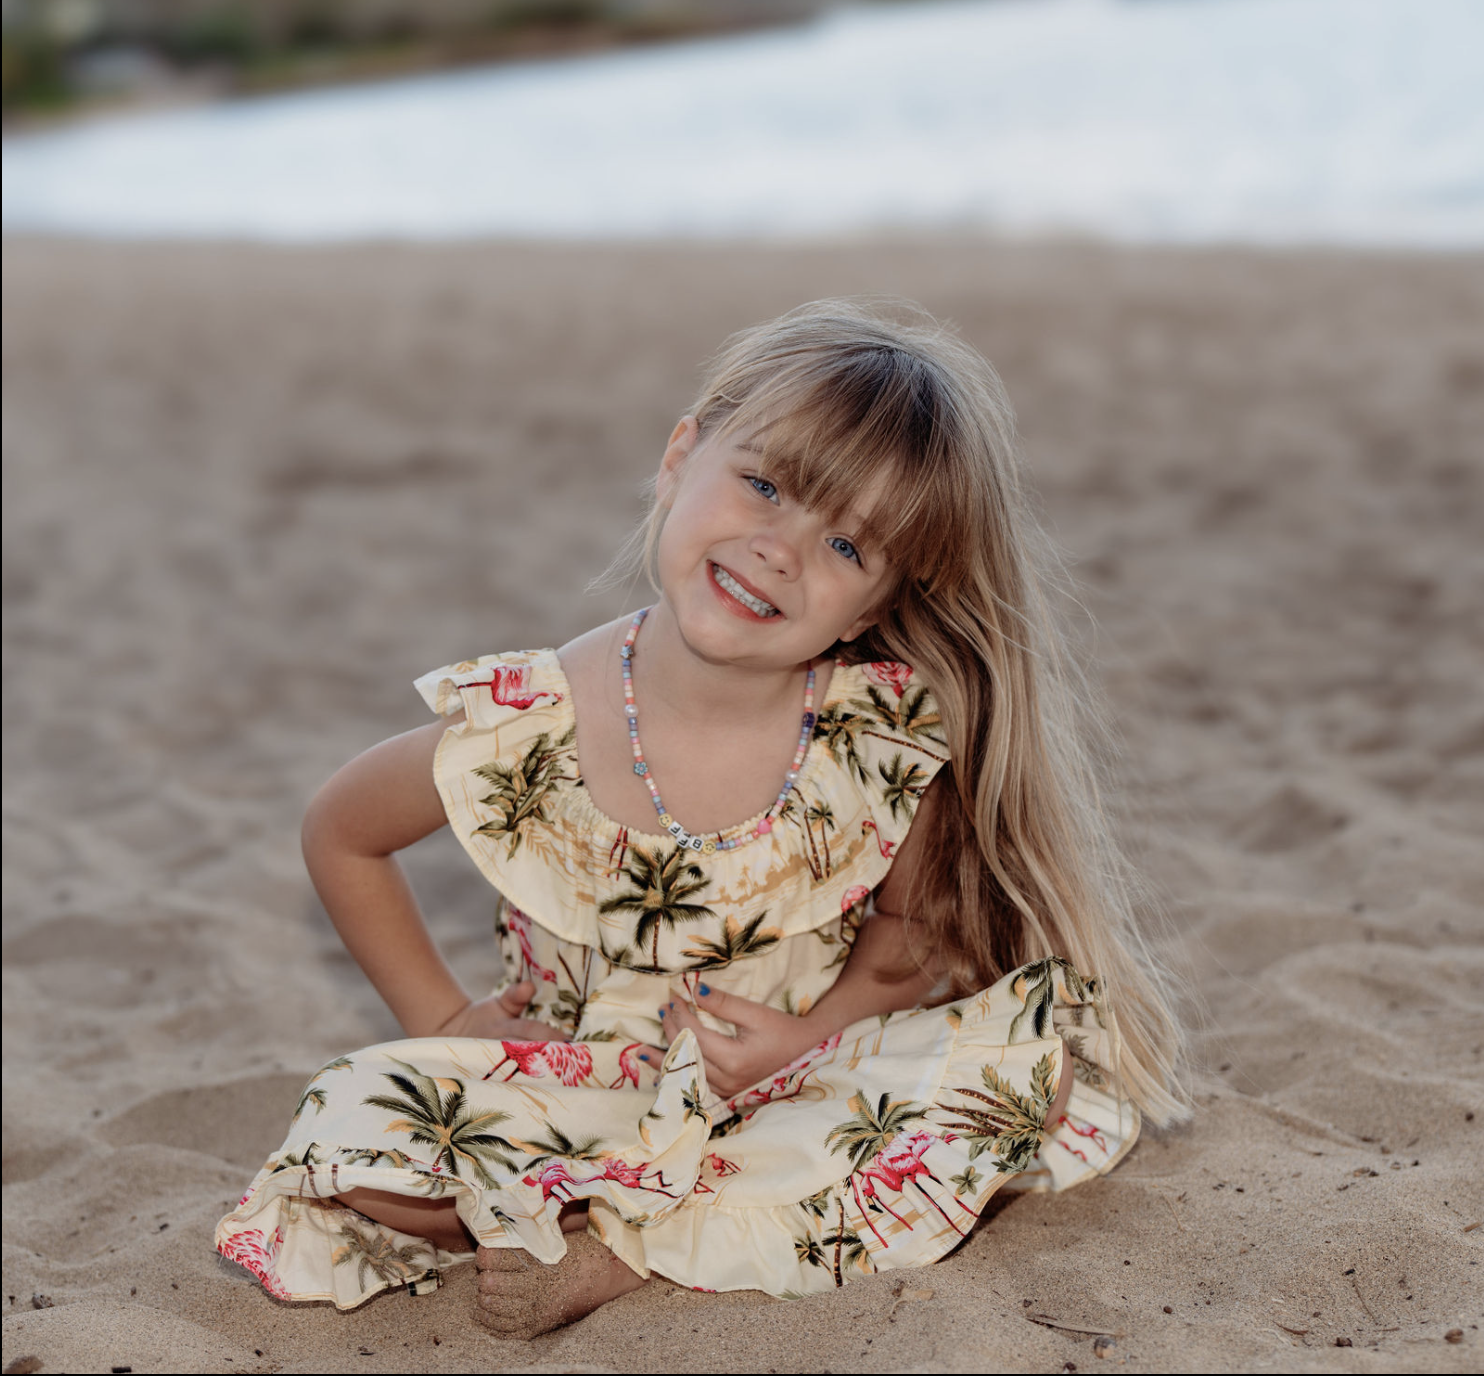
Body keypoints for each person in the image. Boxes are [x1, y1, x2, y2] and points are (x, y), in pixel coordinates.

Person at [216, 299, 1188, 1335]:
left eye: (846, 545)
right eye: (762, 484)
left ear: (870, 605)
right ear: (680, 455)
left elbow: (906, 932)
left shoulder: (876, 734)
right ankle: (647, 1205)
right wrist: (447, 1021)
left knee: (1018, 1080)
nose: (778, 550)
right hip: (580, 1085)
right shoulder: (533, 719)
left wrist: (810, 1033)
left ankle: (617, 1247)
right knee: (351, 1127)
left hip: (783, 1086)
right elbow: (342, 828)